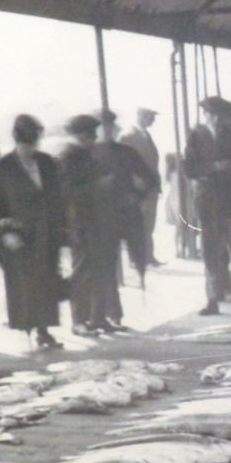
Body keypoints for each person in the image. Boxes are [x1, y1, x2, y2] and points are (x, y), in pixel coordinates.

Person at [0, 115, 65, 349]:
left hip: (46, 233)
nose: (30, 150)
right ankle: (26, 330)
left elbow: (57, 198)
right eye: (25, 145)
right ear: (17, 141)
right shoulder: (3, 167)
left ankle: (44, 330)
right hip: (18, 235)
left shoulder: (47, 162)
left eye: (33, 143)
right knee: (23, 284)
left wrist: (60, 228)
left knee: (46, 281)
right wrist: (5, 233)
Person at [183, 96, 231, 316]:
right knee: (210, 251)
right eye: (210, 115)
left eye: (219, 116)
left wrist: (213, 170)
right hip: (207, 202)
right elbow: (189, 169)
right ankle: (212, 299)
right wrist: (215, 167)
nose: (215, 119)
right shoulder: (195, 137)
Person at [96, 110, 160, 321]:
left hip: (122, 214)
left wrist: (137, 195)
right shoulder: (87, 155)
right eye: (102, 127)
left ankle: (112, 314)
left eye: (109, 127)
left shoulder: (125, 152)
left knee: (110, 264)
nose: (106, 131)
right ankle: (105, 313)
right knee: (104, 266)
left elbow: (148, 178)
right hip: (100, 217)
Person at [59, 113, 111, 336]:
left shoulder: (84, 154)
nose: (95, 137)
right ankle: (79, 320)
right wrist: (98, 184)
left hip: (94, 220)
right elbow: (66, 192)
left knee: (98, 269)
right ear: (81, 135)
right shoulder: (68, 156)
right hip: (80, 222)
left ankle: (97, 318)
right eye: (91, 133)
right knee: (82, 272)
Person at [119, 108, 163, 266]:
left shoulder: (146, 135)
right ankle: (136, 259)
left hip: (150, 188)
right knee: (136, 224)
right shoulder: (128, 136)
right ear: (141, 116)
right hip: (137, 188)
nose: (153, 120)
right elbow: (122, 163)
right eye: (150, 117)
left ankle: (148, 256)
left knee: (148, 224)